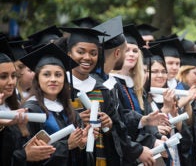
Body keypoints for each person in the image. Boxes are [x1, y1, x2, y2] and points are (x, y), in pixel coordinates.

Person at [93, 16, 168, 165]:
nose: (131, 54)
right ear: (117, 53)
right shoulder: (105, 84)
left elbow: (123, 118)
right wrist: (142, 146)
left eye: (135, 50)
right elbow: (118, 125)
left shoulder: (136, 86)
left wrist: (153, 134)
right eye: (126, 50)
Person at [17, 43, 89, 165]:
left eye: (58, 74)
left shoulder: (69, 110)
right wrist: (67, 145)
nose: (53, 79)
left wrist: (81, 143)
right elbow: (30, 157)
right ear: (37, 79)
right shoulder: (31, 111)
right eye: (46, 74)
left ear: (64, 80)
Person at [59, 27, 112, 165]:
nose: (87, 58)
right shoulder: (59, 86)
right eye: (80, 52)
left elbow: (118, 130)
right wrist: (77, 119)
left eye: (93, 53)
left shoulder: (102, 89)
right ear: (69, 53)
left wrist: (110, 123)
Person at [0, 37, 55, 165]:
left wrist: (25, 133)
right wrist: (24, 155)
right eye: (3, 77)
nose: (11, 82)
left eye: (14, 76)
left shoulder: (17, 107)